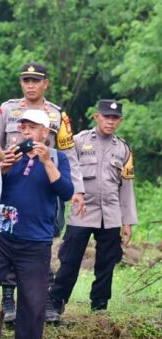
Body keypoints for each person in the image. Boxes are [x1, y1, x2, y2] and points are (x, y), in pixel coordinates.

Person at [0, 109, 74, 339]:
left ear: (45, 132)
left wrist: (46, 162)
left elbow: (66, 192)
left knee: (33, 303)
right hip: (2, 236)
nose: (26, 131)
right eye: (23, 126)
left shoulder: (57, 158)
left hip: (36, 242)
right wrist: (2, 169)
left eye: (32, 127)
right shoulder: (12, 154)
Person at [0, 61, 84, 323]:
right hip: (13, 184)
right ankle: (8, 299)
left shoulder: (57, 115)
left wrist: (78, 189)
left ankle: (43, 299)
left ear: (45, 84)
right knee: (8, 235)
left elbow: (68, 153)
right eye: (26, 81)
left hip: (46, 186)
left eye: (35, 81)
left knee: (43, 239)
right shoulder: (8, 109)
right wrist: (1, 168)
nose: (30, 85)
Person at [47, 100, 137, 318]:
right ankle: (55, 303)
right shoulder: (79, 141)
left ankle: (99, 307)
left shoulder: (124, 149)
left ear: (120, 121)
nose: (110, 121)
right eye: (106, 117)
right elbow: (65, 170)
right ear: (97, 117)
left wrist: (127, 221)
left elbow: (126, 187)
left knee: (107, 263)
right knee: (70, 260)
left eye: (115, 118)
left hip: (111, 214)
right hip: (82, 211)